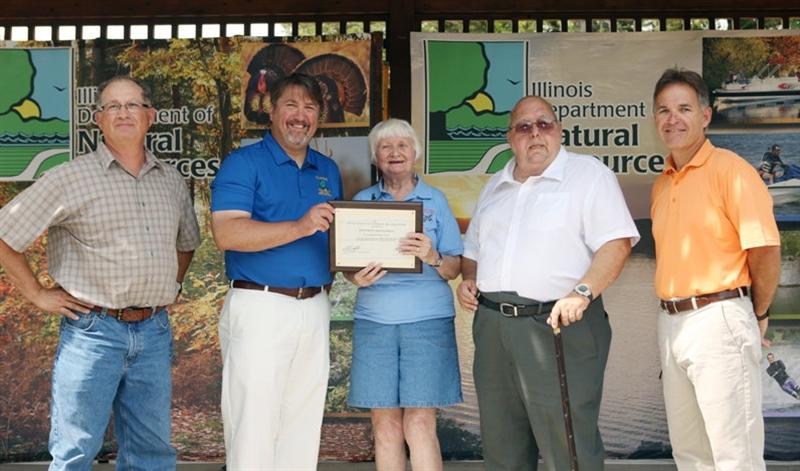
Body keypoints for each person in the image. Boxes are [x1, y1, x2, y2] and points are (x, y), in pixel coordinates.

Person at [0, 75, 201, 470]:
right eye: (113, 106)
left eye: (132, 105)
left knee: (153, 453)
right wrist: (38, 294)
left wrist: (170, 287)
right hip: (92, 332)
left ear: (150, 116)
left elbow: (186, 242)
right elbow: (5, 234)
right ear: (98, 119)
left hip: (154, 332)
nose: (123, 112)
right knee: (76, 451)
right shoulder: (68, 177)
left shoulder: (172, 181)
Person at [456, 95, 639, 471]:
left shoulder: (589, 175)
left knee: (567, 446)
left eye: (544, 124)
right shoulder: (496, 184)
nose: (535, 134)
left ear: (559, 131)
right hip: (493, 329)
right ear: (511, 138)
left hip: (558, 326)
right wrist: (469, 277)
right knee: (502, 444)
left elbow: (616, 243)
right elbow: (473, 247)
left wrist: (583, 292)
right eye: (524, 127)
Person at [650, 68, 781, 470]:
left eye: (684, 108)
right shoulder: (662, 184)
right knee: (689, 454)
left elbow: (763, 250)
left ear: (706, 115)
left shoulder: (732, 171)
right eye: (663, 110)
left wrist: (758, 313)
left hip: (719, 318)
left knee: (734, 456)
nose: (673, 119)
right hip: (672, 324)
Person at [210, 72, 342, 470]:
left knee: (303, 423)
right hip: (260, 304)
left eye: (310, 107)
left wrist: (359, 268)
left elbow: (337, 239)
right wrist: (300, 226)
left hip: (316, 305)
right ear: (271, 111)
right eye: (291, 105)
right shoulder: (244, 163)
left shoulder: (327, 169)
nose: (300, 116)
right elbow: (227, 232)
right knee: (253, 422)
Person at [345, 118, 463, 471]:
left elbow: (455, 268)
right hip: (374, 323)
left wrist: (433, 256)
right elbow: (349, 268)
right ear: (375, 156)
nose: (395, 153)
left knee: (420, 423)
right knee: (385, 426)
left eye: (402, 146)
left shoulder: (436, 201)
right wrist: (357, 278)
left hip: (428, 322)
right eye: (385, 146)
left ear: (415, 153)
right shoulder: (362, 202)